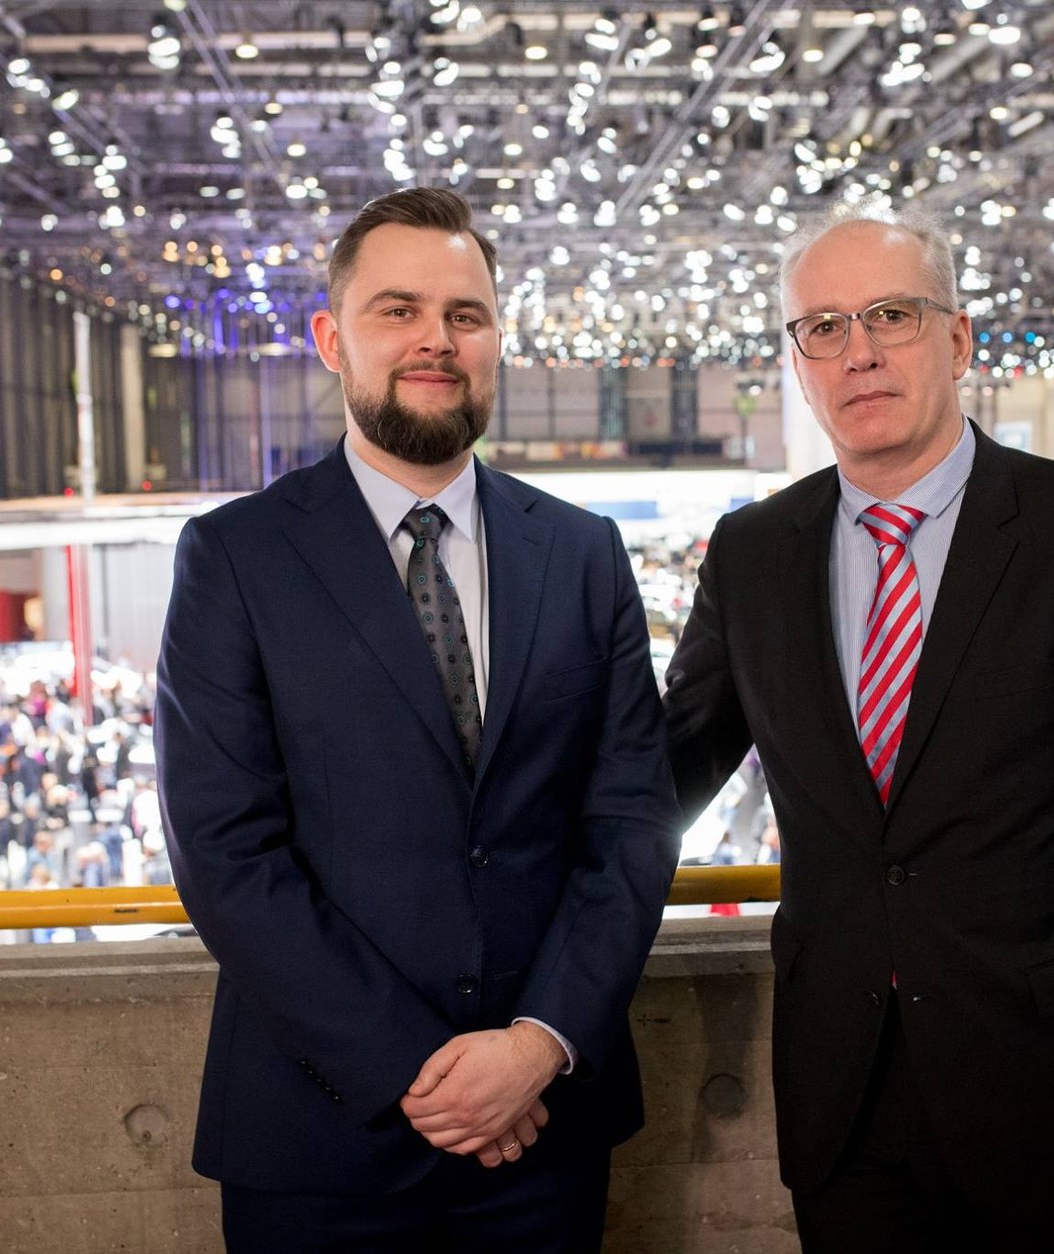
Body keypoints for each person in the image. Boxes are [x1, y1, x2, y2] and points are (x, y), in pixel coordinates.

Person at [663, 204, 1054, 1253]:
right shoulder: (750, 556)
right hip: (841, 1116)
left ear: (959, 339)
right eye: (821, 327)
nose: (858, 352)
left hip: (1048, 1115)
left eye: (890, 314)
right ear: (796, 362)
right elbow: (657, 785)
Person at [155, 186, 680, 1252]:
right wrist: (422, 1073)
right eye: (396, 310)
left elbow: (629, 824)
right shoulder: (235, 558)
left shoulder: (580, 555)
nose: (434, 340)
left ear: (495, 341)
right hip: (320, 1134)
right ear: (329, 340)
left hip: (542, 1130)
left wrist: (533, 1047)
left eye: (465, 315)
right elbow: (225, 852)